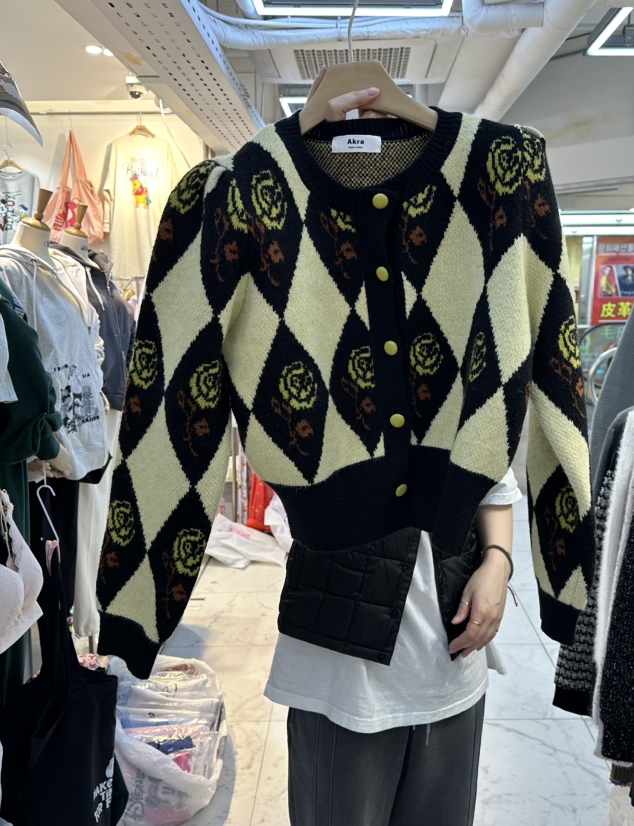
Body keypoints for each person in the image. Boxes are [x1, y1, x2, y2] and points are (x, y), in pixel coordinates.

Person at [265, 68, 519, 826]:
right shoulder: (291, 271)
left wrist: (499, 565)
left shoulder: (460, 285)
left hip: (453, 654)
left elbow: (493, 470)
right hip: (340, 664)